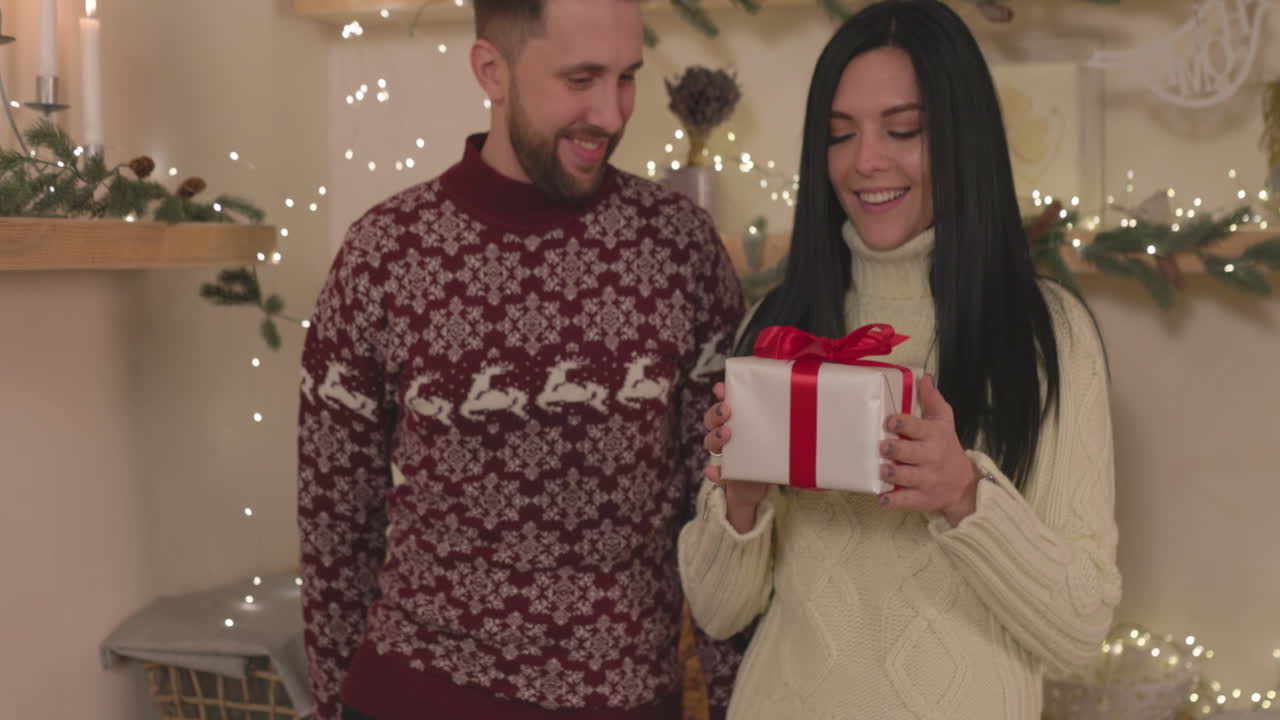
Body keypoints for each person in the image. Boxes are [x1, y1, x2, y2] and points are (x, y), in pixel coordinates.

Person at [297, 1, 747, 718]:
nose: (610, 111)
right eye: (581, 78)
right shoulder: (385, 253)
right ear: (491, 71)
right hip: (415, 695)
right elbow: (334, 527)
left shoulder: (679, 250)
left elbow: (725, 517)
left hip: (623, 700)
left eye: (626, 77)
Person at [677, 1, 1122, 718]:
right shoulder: (780, 326)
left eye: (904, 130)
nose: (866, 162)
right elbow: (721, 613)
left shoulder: (1048, 337)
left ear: (960, 137)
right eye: (839, 135)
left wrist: (964, 495)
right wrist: (740, 499)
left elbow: (1079, 632)